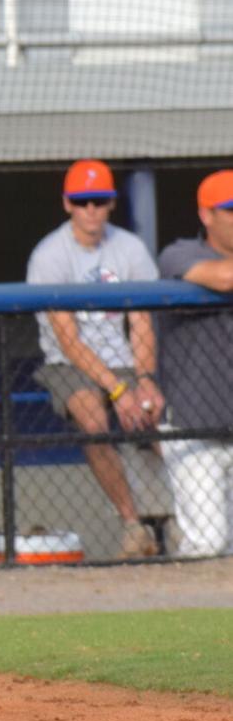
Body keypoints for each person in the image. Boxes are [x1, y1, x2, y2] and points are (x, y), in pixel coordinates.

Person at [25, 159, 162, 558]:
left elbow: (141, 324)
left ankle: (190, 519)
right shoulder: (50, 254)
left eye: (98, 201)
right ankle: (133, 526)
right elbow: (68, 342)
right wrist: (119, 390)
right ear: (67, 203)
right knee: (93, 419)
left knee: (157, 419)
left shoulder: (129, 248)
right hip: (68, 364)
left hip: (123, 360)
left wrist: (146, 380)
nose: (91, 210)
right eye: (82, 201)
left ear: (111, 204)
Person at [155, 170, 233, 557]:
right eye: (231, 210)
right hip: (193, 427)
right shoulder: (180, 253)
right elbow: (223, 278)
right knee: (208, 544)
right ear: (207, 215)